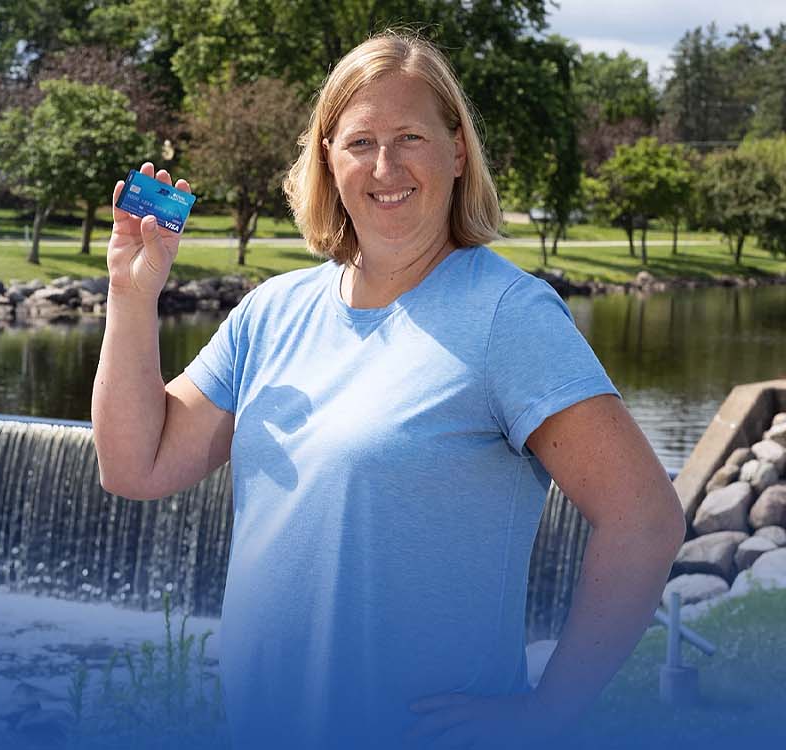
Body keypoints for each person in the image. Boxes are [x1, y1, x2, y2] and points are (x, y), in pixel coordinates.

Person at [90, 32, 686, 750]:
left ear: (458, 150)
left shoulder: (508, 315)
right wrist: (131, 294)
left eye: (410, 137)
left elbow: (646, 519)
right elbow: (134, 466)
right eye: (359, 141)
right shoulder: (271, 312)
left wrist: (551, 711)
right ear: (326, 159)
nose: (385, 165)